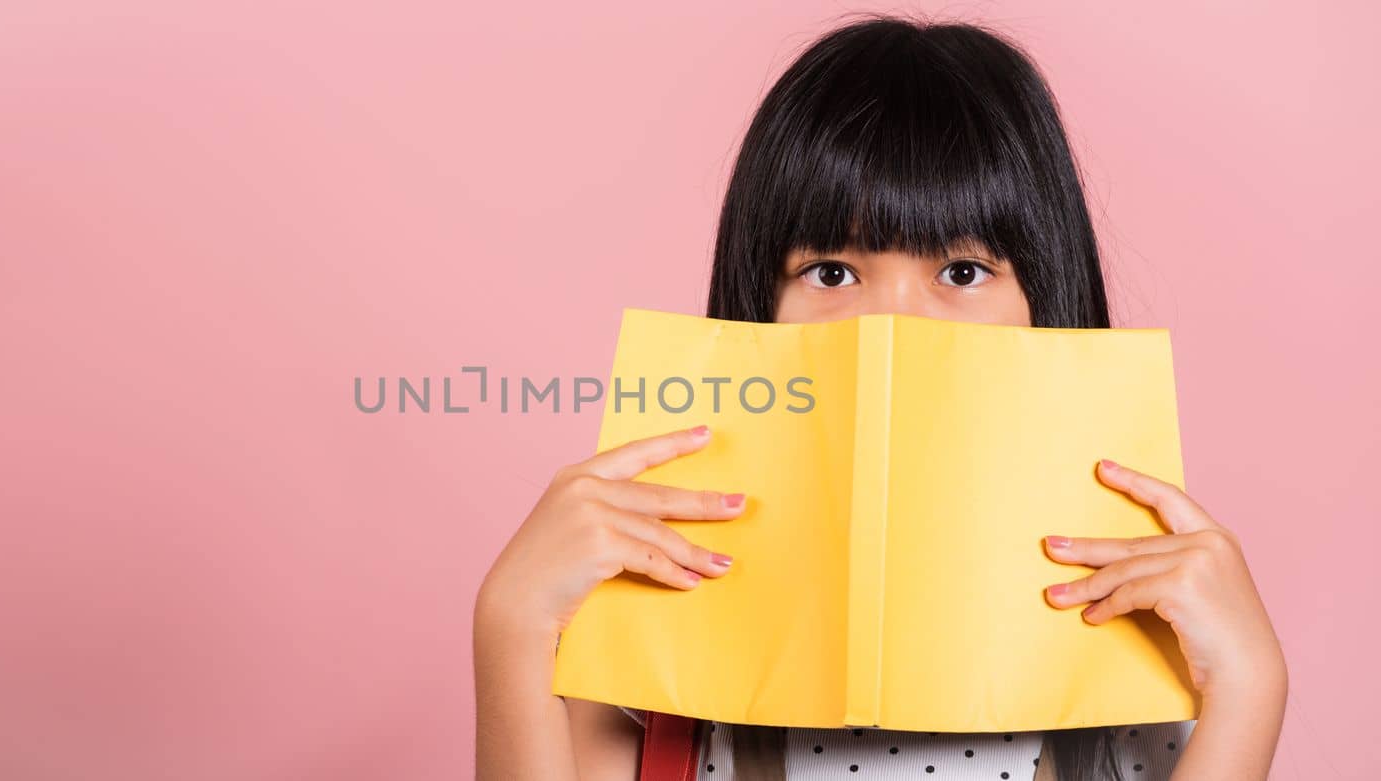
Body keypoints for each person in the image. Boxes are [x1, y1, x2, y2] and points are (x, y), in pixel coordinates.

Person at [473, 15, 1287, 781]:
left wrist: (1251, 691)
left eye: (962, 273)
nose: (891, 329)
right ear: (757, 302)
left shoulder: (1151, 639)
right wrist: (511, 626)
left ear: (1046, 298)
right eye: (831, 272)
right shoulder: (648, 628)